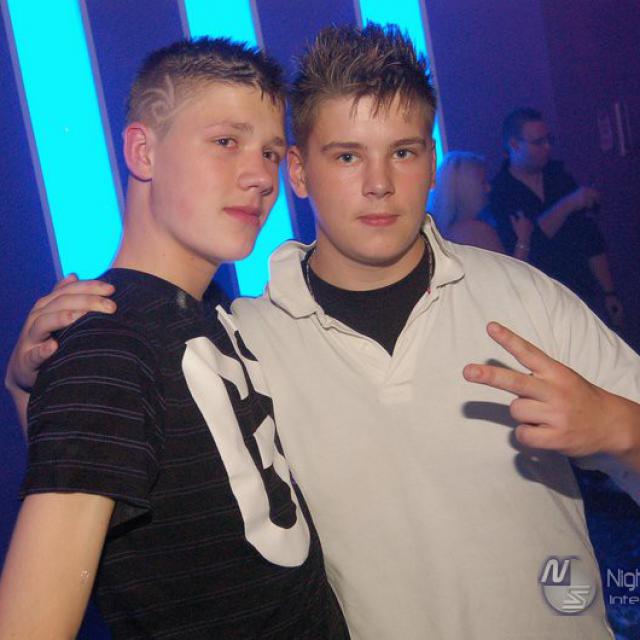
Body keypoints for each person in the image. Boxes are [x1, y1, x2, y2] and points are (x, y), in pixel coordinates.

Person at [6, 24, 640, 640]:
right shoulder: (245, 336)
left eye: (403, 152)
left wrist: (617, 426)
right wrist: (36, 386)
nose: (379, 184)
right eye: (347, 155)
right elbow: (117, 497)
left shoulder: (525, 298)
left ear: (431, 163)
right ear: (301, 174)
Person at [0, 38, 348, 639]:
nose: (259, 176)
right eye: (226, 141)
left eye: (269, 152)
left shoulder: (209, 313)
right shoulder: (106, 342)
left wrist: (21, 391)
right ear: (144, 151)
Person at [489, 107, 624, 327]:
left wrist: (609, 291)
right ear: (514, 145)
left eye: (548, 140)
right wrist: (569, 204)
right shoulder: (500, 193)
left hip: (583, 292)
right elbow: (529, 244)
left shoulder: (558, 176)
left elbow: (590, 238)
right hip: (541, 303)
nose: (547, 147)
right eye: (538, 142)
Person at [429, 150, 532, 260]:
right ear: (468, 189)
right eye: (482, 183)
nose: (489, 188)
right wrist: (523, 239)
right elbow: (508, 270)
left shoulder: (438, 231)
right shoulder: (477, 231)